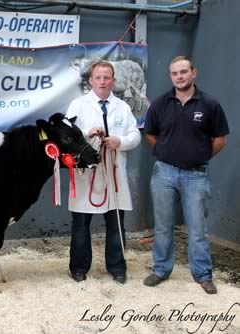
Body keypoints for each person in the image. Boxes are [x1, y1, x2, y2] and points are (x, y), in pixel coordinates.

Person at [143, 56, 229, 294]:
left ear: (193, 73)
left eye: (183, 72)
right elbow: (150, 134)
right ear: (171, 76)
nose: (179, 77)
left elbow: (220, 139)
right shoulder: (160, 104)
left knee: (197, 228)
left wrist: (199, 156)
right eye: (174, 73)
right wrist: (166, 152)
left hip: (196, 176)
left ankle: (203, 274)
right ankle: (161, 269)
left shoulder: (210, 104)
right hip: (164, 174)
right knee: (162, 226)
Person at [65, 60, 141, 284]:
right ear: (90, 80)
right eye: (98, 77)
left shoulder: (123, 107)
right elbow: (68, 136)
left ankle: (117, 267)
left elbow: (135, 135)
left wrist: (120, 141)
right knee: (81, 224)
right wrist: (88, 134)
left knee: (116, 223)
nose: (102, 81)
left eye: (107, 77)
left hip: (114, 175)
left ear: (113, 81)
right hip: (86, 175)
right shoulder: (78, 105)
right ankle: (78, 267)